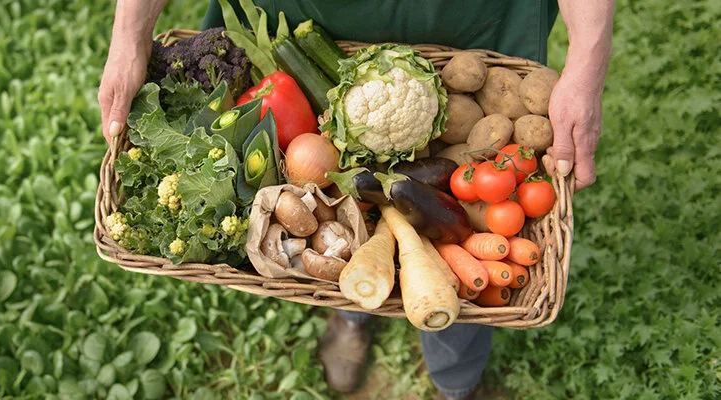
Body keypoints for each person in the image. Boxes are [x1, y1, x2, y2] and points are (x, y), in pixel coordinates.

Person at [99, 1, 614, 398]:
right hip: (311, 14)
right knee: (355, 226)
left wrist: (589, 62)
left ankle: (454, 368)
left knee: (465, 269)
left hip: (465, 19)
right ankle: (352, 309)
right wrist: (128, 34)